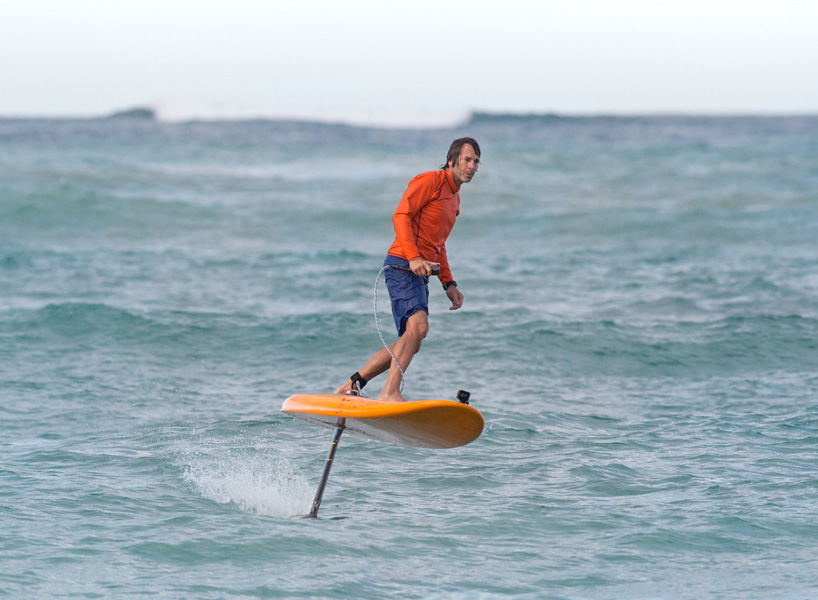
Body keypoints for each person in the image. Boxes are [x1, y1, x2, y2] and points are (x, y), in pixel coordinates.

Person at [334, 138, 481, 402]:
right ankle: (389, 393)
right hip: (402, 264)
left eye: (476, 162)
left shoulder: (455, 199)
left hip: (420, 273)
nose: (471, 166)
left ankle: (352, 385)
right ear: (451, 160)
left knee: (411, 341)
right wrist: (413, 258)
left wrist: (449, 284)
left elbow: (439, 243)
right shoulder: (430, 181)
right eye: (467, 160)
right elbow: (401, 215)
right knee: (418, 328)